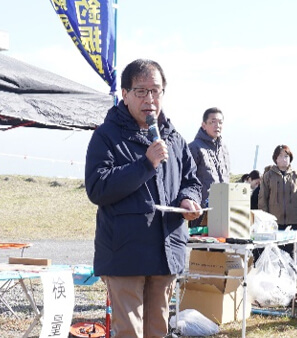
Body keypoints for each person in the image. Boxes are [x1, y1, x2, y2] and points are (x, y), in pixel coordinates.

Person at [84, 59, 202, 337]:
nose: (150, 99)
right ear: (125, 94)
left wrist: (188, 200)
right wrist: (145, 164)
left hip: (165, 250)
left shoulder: (174, 139)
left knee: (158, 329)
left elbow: (191, 181)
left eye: (156, 91)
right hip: (125, 253)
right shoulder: (106, 136)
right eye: (141, 91)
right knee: (130, 332)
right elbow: (98, 188)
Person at [258, 145, 297, 255]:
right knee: (275, 253)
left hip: (293, 222)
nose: (283, 159)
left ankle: (291, 272)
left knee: (291, 254)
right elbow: (263, 198)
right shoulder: (268, 176)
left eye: (286, 156)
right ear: (275, 158)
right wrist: (265, 219)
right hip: (274, 223)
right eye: (280, 156)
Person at [189, 107, 230, 227]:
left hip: (222, 209)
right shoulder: (194, 147)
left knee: (222, 245)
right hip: (201, 211)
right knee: (201, 245)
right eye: (213, 122)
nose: (217, 125)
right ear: (204, 125)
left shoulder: (224, 149)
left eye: (220, 122)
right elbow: (187, 179)